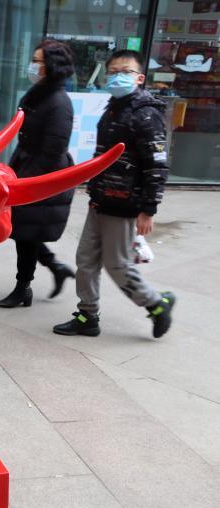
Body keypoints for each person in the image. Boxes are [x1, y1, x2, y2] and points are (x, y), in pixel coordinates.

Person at [54, 49, 176, 338]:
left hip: (124, 204)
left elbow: (156, 165)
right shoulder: (113, 108)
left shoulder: (146, 114)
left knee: (117, 265)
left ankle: (157, 304)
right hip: (100, 199)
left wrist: (148, 209)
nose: (118, 76)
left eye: (126, 72)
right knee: (86, 260)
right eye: (113, 71)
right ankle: (88, 316)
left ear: (140, 78)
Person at [0, 40, 76, 308]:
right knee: (23, 231)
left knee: (25, 233)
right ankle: (53, 267)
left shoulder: (59, 102)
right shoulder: (38, 93)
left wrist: (27, 183)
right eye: (34, 59)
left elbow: (52, 150)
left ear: (52, 65)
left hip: (42, 176)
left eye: (38, 61)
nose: (33, 65)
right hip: (26, 169)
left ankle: (23, 288)